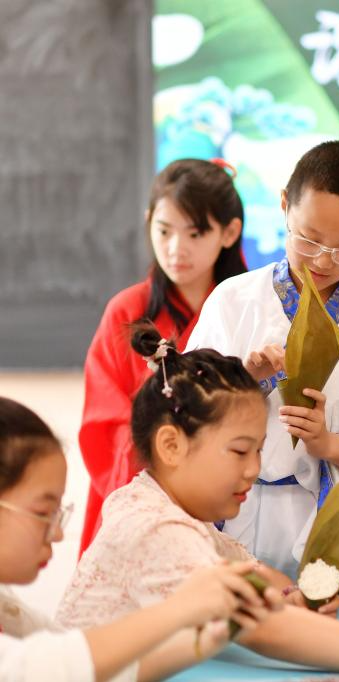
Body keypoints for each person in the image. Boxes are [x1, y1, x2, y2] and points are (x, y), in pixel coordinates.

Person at [57, 326, 339, 679]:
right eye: (240, 451)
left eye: (259, 450)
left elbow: (250, 574)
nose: (253, 469)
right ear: (171, 445)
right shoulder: (154, 526)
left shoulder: (165, 509)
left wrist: (290, 596)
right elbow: (262, 628)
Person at [185, 141, 339, 582]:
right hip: (236, 510)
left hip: (329, 520)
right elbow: (185, 408)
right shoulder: (233, 299)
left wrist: (329, 443)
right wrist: (245, 379)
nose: (324, 260)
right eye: (309, 239)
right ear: (285, 205)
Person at [0, 396, 282, 682]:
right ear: (170, 445)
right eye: (43, 512)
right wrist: (180, 608)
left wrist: (209, 636)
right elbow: (39, 668)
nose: (58, 533)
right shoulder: (151, 521)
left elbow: (81, 663)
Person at [79, 158, 245, 553]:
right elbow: (105, 421)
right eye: (164, 230)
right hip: (141, 498)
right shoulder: (127, 312)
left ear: (229, 232)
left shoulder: (247, 307)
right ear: (148, 221)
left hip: (228, 495)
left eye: (195, 233)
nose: (176, 249)